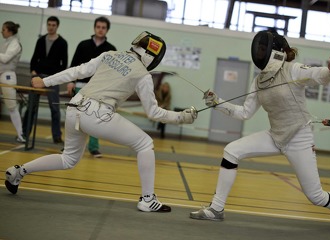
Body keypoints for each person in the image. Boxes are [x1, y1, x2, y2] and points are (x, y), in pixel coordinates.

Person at [4, 31, 198, 213]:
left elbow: (78, 71)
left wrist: (45, 81)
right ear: (151, 56)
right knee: (145, 143)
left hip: (75, 107)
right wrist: (182, 117)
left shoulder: (109, 55)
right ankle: (148, 199)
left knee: (68, 159)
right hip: (97, 114)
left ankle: (19, 171)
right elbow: (154, 112)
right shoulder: (143, 75)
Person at [189, 29, 330, 231]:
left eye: (263, 48)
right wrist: (217, 103)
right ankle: (216, 209)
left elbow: (317, 75)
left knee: (315, 195)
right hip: (275, 135)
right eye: (259, 48)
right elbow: (244, 112)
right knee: (231, 151)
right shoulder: (259, 80)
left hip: (299, 138)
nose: (260, 52)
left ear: (275, 51)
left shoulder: (293, 69)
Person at [66, 16, 116, 158]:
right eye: (98, 27)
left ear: (107, 30)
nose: (100, 30)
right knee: (75, 118)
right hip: (80, 86)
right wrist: (71, 82)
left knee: (95, 118)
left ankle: (93, 147)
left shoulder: (111, 50)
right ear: (94, 28)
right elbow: (75, 65)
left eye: (103, 27)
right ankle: (70, 148)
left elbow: (111, 73)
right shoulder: (83, 45)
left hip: (99, 89)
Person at [23, 16, 68, 144]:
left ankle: (57, 136)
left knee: (54, 108)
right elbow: (34, 57)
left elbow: (63, 63)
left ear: (57, 26)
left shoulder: (62, 43)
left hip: (53, 78)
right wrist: (33, 71)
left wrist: (57, 77)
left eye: (53, 25)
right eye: (49, 24)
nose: (51, 27)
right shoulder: (41, 40)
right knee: (31, 107)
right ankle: (24, 133)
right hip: (37, 77)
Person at [0, 21, 25, 143]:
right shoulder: (7, 42)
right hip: (1, 74)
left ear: (10, 31)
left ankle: (20, 134)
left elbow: (5, 59)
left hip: (8, 76)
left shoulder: (15, 43)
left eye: (3, 29)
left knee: (11, 107)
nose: (1, 31)